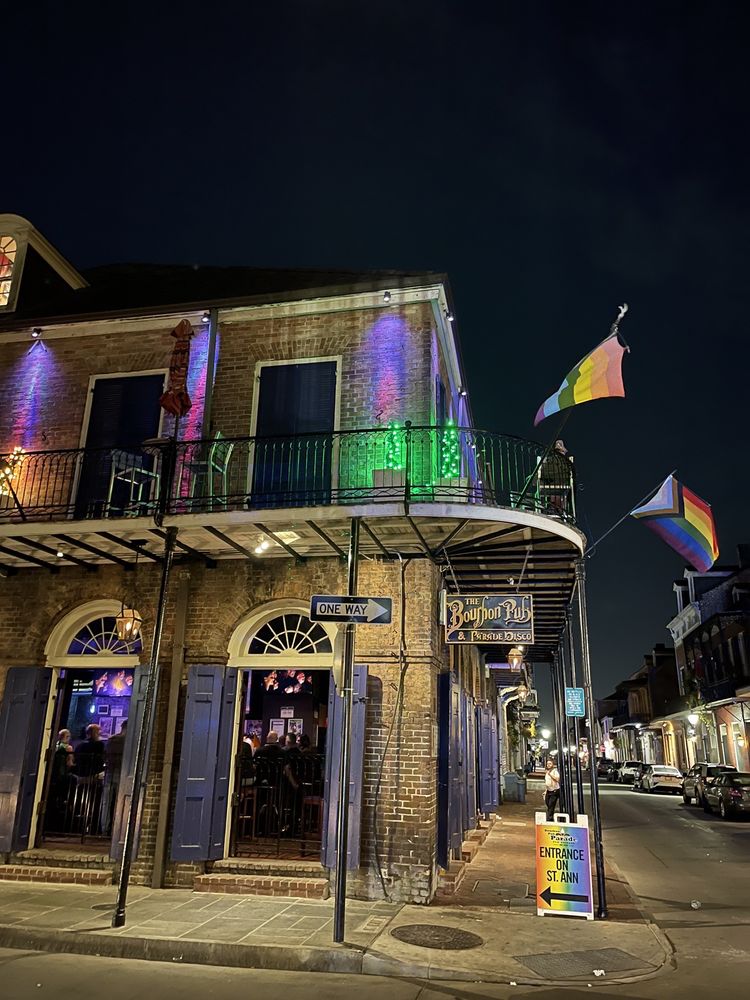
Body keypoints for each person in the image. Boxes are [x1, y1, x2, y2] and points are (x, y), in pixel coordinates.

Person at [102, 721, 127, 834]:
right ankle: (117, 830)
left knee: (106, 802)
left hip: (109, 772)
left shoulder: (111, 740)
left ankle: (104, 828)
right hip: (122, 773)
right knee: (120, 802)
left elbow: (106, 756)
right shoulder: (128, 741)